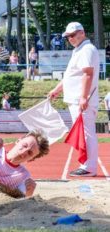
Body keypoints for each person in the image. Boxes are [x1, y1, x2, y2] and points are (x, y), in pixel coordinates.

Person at [48, 22, 99, 177]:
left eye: (72, 35)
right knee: (84, 133)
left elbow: (87, 74)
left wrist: (83, 97)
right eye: (67, 36)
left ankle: (89, 167)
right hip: (77, 100)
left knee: (86, 133)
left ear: (82, 33)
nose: (70, 38)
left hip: (81, 100)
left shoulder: (87, 50)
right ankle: (87, 165)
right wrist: (56, 90)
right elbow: (71, 75)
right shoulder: (79, 50)